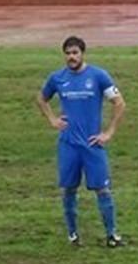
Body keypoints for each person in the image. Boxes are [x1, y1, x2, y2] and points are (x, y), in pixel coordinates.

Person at [36, 35, 127, 247]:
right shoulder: (57, 78)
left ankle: (112, 235)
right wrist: (52, 119)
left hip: (92, 145)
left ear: (82, 54)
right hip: (68, 145)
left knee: (102, 190)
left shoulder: (98, 76)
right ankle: (73, 235)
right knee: (69, 189)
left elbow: (119, 103)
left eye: (75, 53)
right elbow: (41, 98)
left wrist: (109, 132)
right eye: (68, 53)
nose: (71, 57)